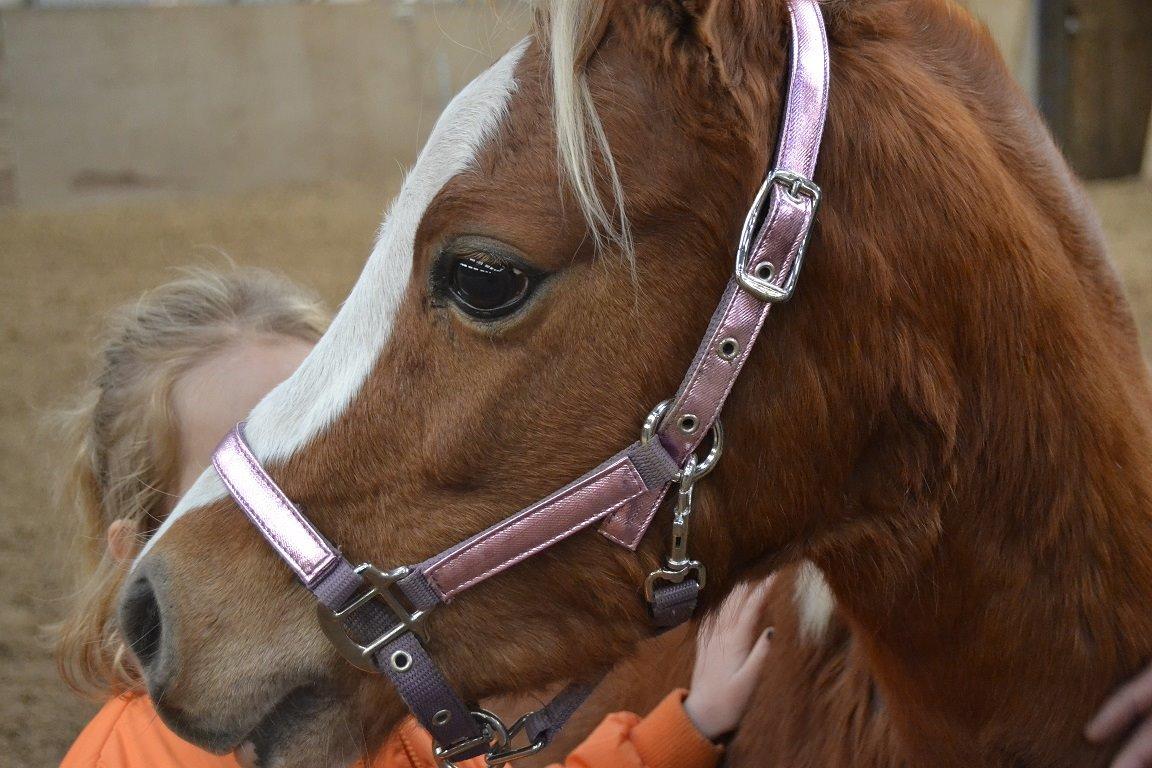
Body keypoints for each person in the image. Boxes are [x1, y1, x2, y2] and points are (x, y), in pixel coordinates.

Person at [56, 267, 772, 768]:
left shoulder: (382, 710)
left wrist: (686, 728)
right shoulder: (118, 757)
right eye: (237, 491)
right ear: (144, 551)